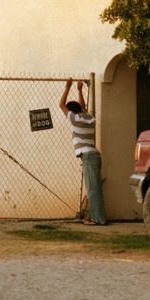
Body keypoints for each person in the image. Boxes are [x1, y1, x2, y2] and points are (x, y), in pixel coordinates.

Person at [59, 78, 106, 225]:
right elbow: (83, 107)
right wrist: (79, 90)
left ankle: (98, 219)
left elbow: (61, 105)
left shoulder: (74, 119)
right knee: (95, 187)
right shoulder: (88, 117)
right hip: (94, 154)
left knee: (92, 189)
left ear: (72, 111)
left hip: (87, 156)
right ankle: (97, 217)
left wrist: (67, 87)